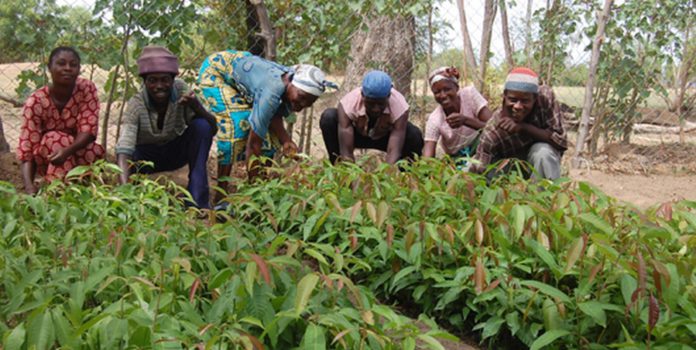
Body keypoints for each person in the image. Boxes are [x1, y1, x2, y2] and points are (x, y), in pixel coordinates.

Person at [197, 50, 334, 196]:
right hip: (217, 70)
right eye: (301, 97)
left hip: (244, 68)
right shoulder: (272, 91)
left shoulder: (286, 84)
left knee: (270, 139)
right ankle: (222, 195)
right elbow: (253, 144)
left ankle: (263, 185)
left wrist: (286, 140)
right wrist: (256, 195)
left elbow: (271, 114)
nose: (302, 104)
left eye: (309, 102)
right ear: (292, 85)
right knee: (236, 127)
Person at [115, 46, 217, 209]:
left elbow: (212, 129)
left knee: (201, 126)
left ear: (172, 80)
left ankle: (197, 202)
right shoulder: (137, 104)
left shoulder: (181, 90)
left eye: (165, 80)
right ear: (145, 82)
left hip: (174, 152)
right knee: (128, 153)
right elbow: (124, 147)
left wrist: (197, 107)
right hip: (145, 158)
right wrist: (123, 193)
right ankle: (132, 198)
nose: (159, 86)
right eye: (152, 80)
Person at [17, 46, 105, 194]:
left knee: (92, 149)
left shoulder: (86, 89)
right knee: (55, 138)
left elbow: (89, 130)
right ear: (50, 68)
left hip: (77, 153)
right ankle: (59, 192)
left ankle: (85, 188)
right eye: (61, 63)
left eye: (73, 64)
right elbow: (27, 148)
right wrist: (29, 187)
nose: (68, 68)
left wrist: (67, 151)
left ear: (79, 69)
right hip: (48, 158)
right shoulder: (36, 102)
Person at [470, 67, 568, 179]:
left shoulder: (545, 98)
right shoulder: (494, 130)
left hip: (537, 164)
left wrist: (524, 127)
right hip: (509, 170)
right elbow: (479, 167)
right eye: (513, 100)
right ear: (504, 97)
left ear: (535, 98)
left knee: (544, 153)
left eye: (525, 101)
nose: (518, 106)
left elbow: (561, 141)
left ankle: (544, 195)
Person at [319, 70, 423, 164]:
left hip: (385, 138)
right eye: (370, 103)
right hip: (357, 135)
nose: (376, 109)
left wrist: (385, 178)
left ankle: (404, 177)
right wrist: (350, 179)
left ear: (388, 96)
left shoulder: (400, 107)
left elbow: (394, 151)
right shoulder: (348, 104)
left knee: (414, 134)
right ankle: (339, 170)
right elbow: (346, 151)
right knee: (329, 117)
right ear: (362, 95)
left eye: (381, 104)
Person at [422, 66, 492, 165]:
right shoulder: (435, 119)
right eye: (437, 92)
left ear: (456, 88)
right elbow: (428, 154)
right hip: (458, 159)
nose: (442, 95)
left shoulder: (469, 94)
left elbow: (494, 128)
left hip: (482, 146)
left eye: (447, 89)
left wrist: (466, 121)